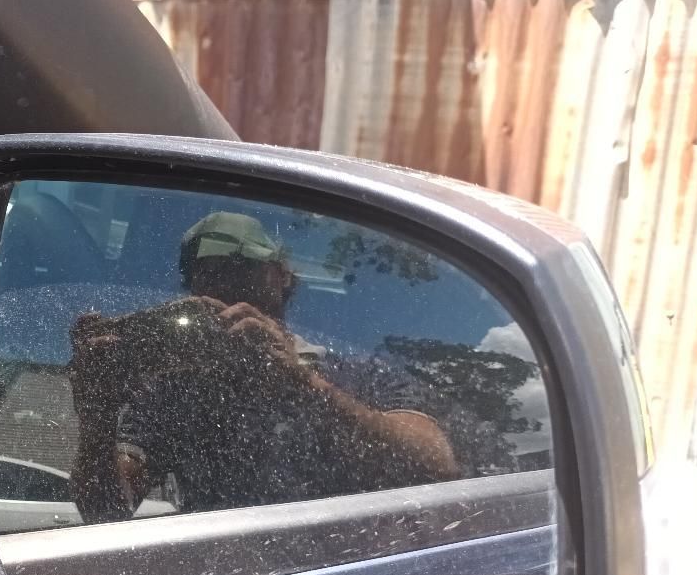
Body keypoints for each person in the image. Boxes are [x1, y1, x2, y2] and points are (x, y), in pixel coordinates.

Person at [67, 210, 458, 523]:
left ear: (282, 277)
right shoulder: (172, 392)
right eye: (202, 277)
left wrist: (300, 381)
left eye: (239, 269)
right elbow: (105, 512)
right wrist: (97, 414)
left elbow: (434, 466)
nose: (218, 286)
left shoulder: (358, 373)